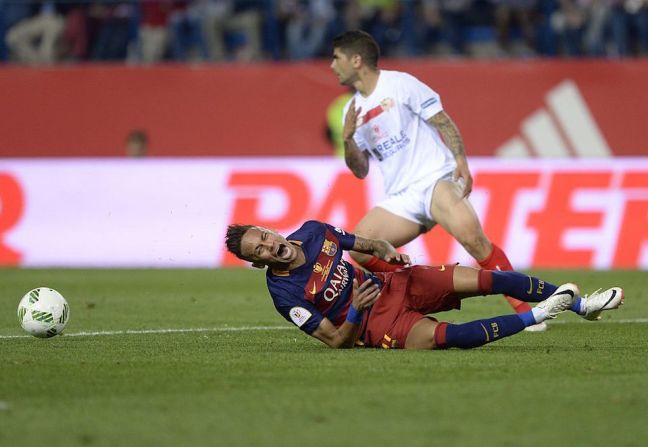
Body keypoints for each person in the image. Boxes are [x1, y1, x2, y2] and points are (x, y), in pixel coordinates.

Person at [329, 30, 547, 331]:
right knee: (359, 248)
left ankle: (528, 311)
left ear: (356, 59)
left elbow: (440, 119)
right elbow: (360, 170)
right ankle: (412, 279)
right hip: (402, 197)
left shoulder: (400, 84)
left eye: (336, 57)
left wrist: (461, 160)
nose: (332, 65)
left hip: (435, 178)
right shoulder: (352, 111)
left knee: (475, 241)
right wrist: (348, 138)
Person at [225, 220, 624, 349]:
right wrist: (356, 311)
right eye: (257, 250)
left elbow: (362, 244)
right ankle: (540, 312)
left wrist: (387, 251)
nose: (267, 245)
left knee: (489, 278)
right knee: (443, 338)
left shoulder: (314, 232)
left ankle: (581, 306)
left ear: (269, 229)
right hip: (374, 324)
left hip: (393, 282)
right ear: (255, 262)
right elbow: (333, 340)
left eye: (262, 236)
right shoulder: (283, 294)